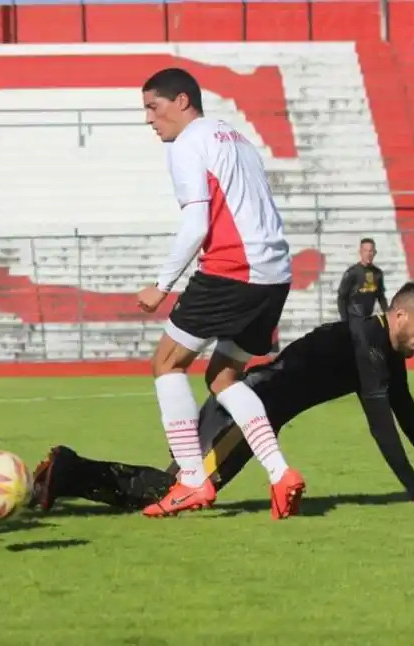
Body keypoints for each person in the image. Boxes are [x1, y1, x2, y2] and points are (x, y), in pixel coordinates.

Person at [32, 282, 414, 515]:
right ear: (400, 315)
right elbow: (382, 421)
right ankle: (68, 471)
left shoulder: (383, 346)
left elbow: (407, 414)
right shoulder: (371, 345)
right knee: (178, 490)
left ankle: (65, 474)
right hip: (247, 412)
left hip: (251, 409)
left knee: (181, 486)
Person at [136, 68, 302, 519]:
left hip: (233, 270)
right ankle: (280, 472)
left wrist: (162, 284)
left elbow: (196, 222)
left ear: (183, 101)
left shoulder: (189, 143)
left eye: (154, 107)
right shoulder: (236, 138)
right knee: (223, 379)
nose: (149, 119)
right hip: (274, 276)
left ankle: (192, 479)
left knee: (166, 363)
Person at [338, 237, 388, 321]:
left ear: (375, 253)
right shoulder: (352, 273)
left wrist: (388, 315)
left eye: (371, 251)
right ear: (360, 252)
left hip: (368, 319)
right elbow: (341, 298)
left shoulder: (377, 273)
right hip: (353, 319)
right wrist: (344, 321)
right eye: (365, 251)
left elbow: (381, 297)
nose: (368, 254)